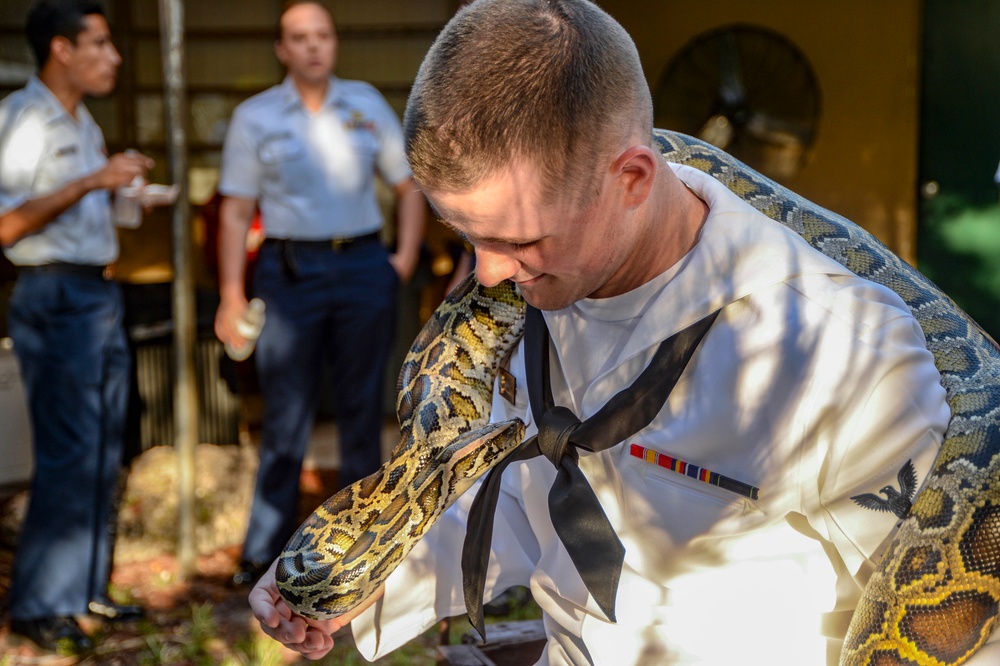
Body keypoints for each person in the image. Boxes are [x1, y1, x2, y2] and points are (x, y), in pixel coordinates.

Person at [247, 1, 1000, 663]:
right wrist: (362, 584)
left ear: (633, 179)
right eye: (467, 236)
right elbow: (519, 498)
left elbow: (967, 628)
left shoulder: (838, 349)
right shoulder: (529, 301)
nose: (488, 277)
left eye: (520, 240)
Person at [214, 0, 426, 588]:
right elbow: (234, 213)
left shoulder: (364, 103)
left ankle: (359, 549)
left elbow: (409, 187)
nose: (312, 46)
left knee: (364, 411)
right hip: (289, 273)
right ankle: (265, 551)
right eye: (298, 37)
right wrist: (231, 295)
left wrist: (402, 261)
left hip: (362, 264)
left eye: (322, 35)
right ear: (281, 49)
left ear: (334, 44)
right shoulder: (256, 117)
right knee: (286, 416)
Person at [0, 0, 151, 654]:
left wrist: (119, 191)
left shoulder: (80, 119)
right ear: (61, 49)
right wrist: (95, 179)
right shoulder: (24, 120)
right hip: (53, 293)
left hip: (96, 292)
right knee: (67, 452)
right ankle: (39, 604)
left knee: (102, 451)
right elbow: (7, 224)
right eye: (99, 44)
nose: (112, 57)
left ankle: (86, 589)